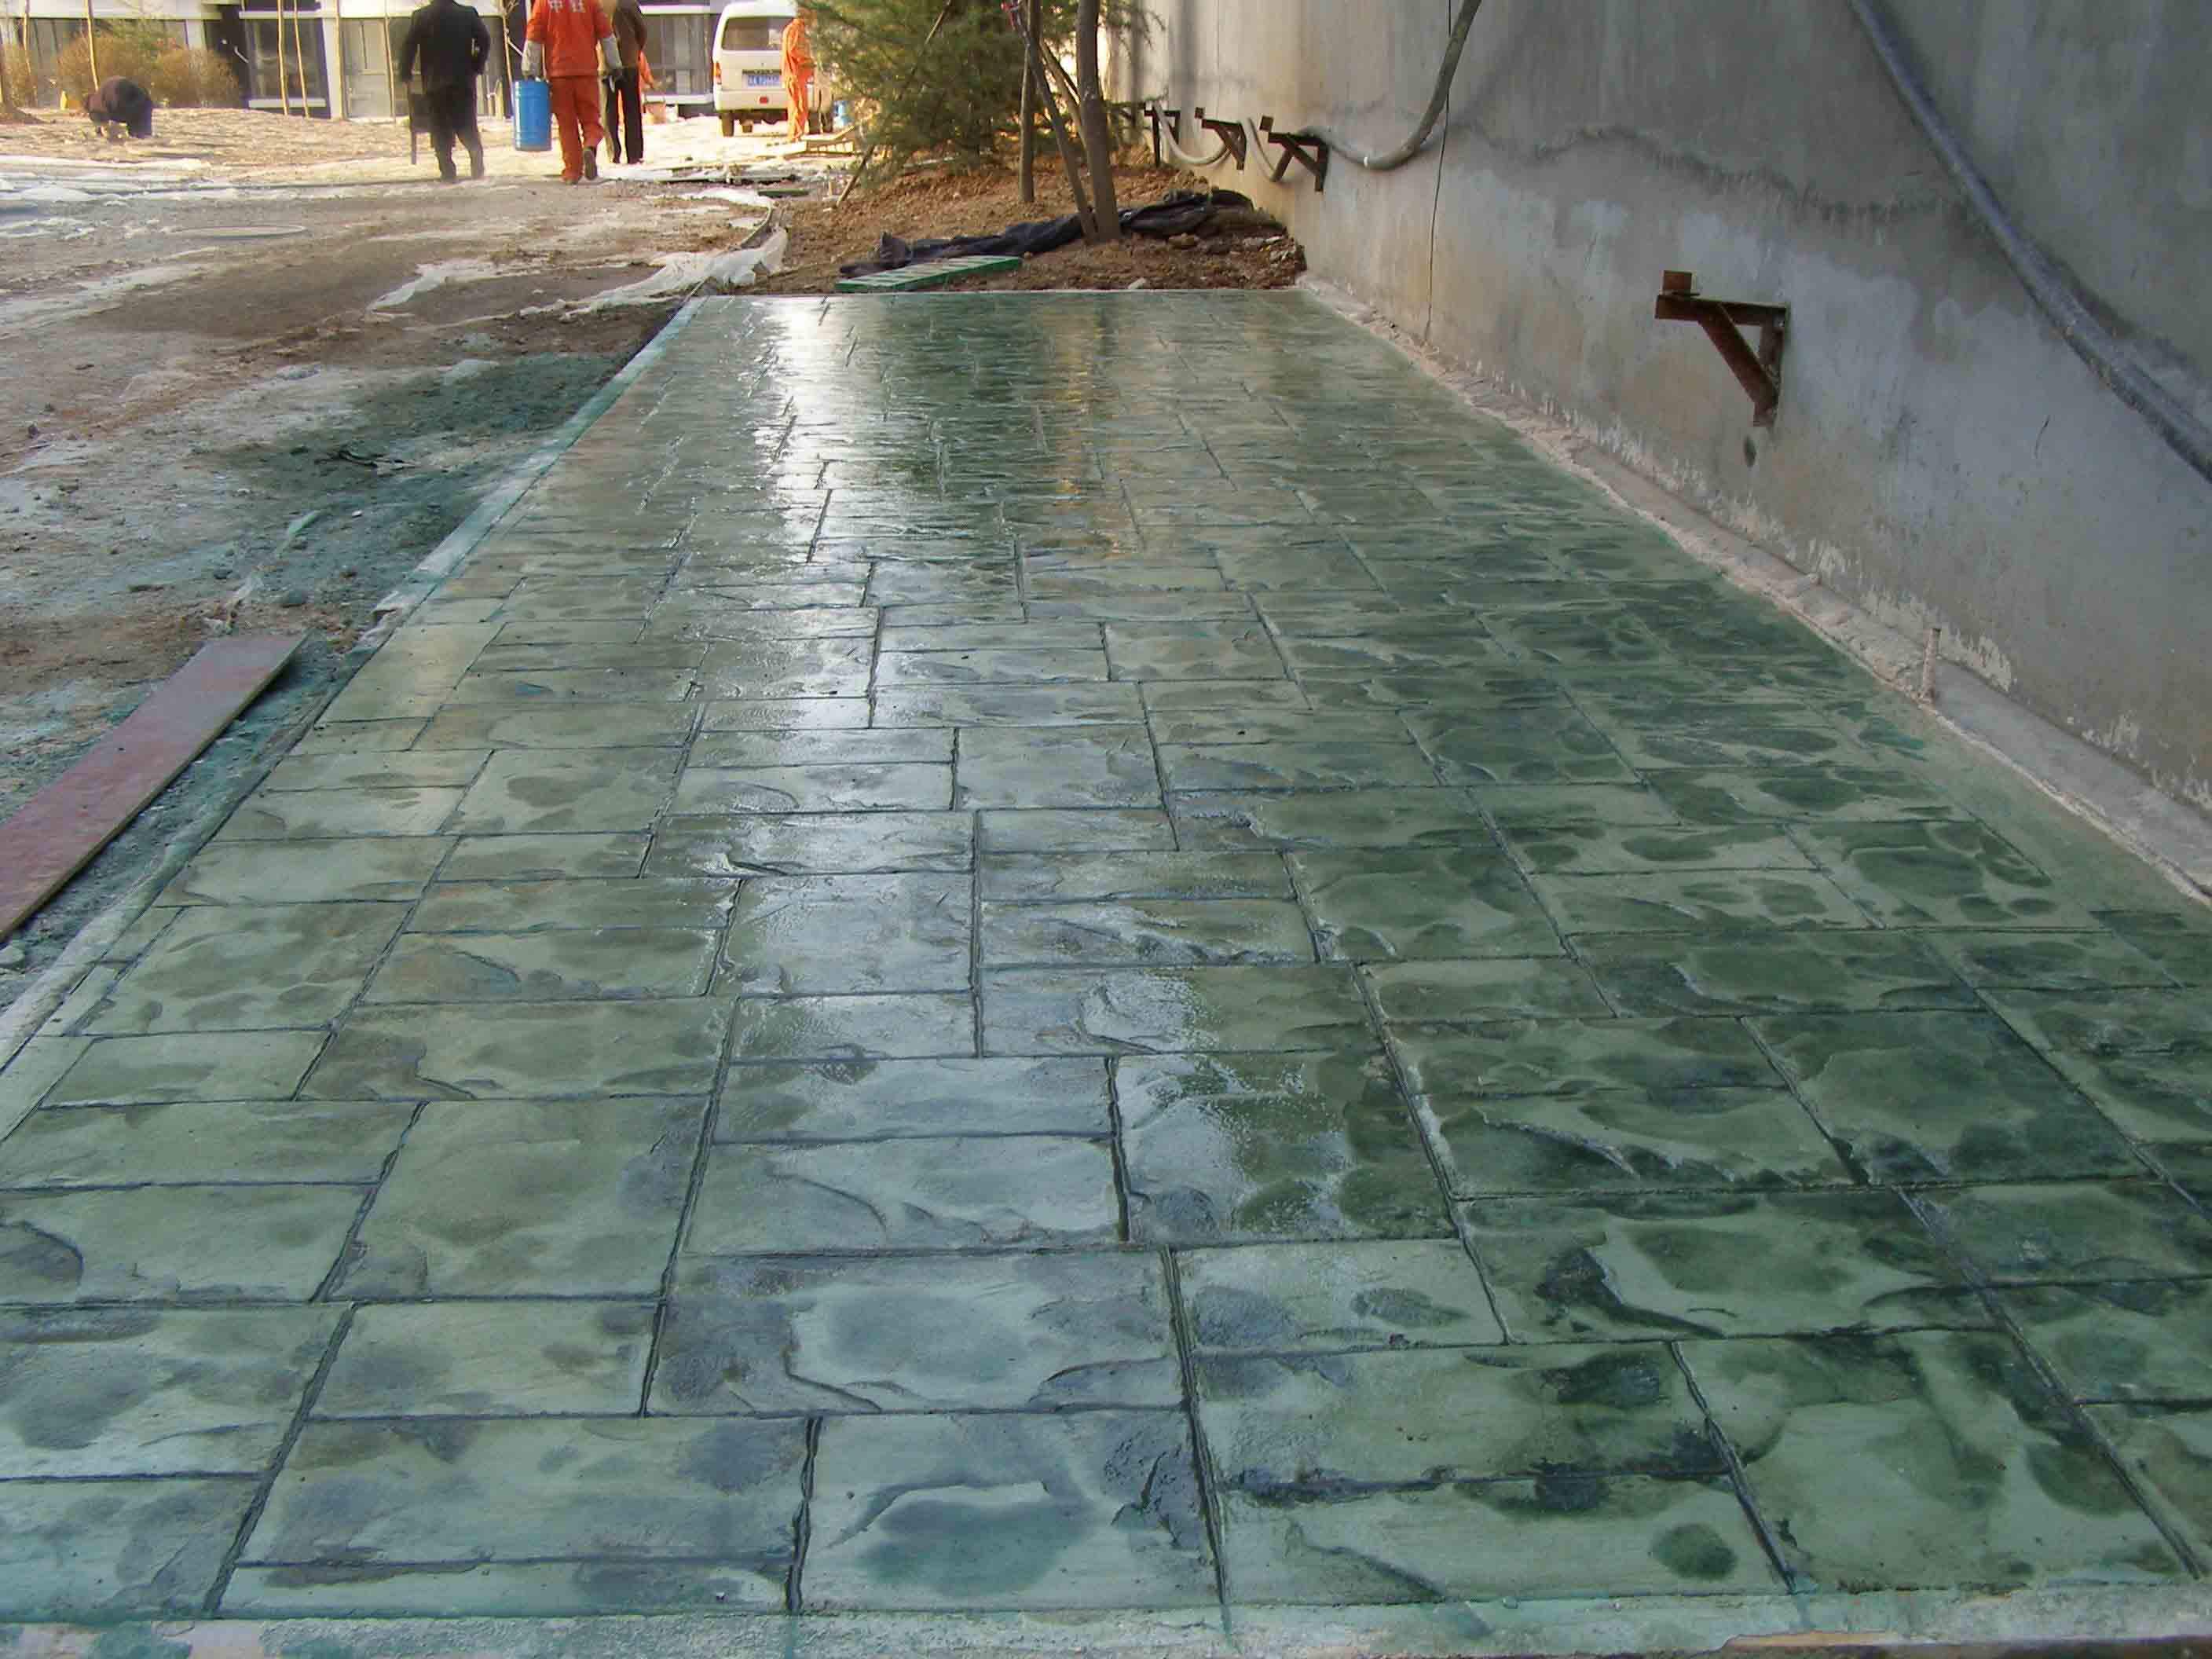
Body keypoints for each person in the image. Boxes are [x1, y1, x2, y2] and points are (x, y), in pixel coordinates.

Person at [524, 0, 617, 184]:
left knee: (567, 125)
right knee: (591, 119)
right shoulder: (590, 2)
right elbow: (606, 33)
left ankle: (572, 172)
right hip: (586, 72)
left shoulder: (543, 3)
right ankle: (590, 146)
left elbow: (533, 36)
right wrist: (615, 64)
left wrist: (529, 69)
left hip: (558, 74)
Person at [397, 0, 489, 182]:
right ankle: (476, 158)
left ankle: (447, 171)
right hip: (463, 81)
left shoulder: (422, 16)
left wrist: (405, 72)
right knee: (466, 124)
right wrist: (476, 65)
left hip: (435, 84)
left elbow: (409, 46)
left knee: (440, 128)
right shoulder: (468, 14)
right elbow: (484, 40)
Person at [601, 0, 647, 167]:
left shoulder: (597, 4)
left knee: (609, 110)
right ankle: (634, 154)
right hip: (629, 61)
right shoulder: (629, 3)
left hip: (605, 63)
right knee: (632, 110)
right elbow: (642, 30)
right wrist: (636, 50)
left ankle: (613, 153)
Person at [83, 77, 154, 141]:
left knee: (136, 137)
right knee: (143, 135)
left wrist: (99, 133)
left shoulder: (94, 108)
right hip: (141, 97)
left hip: (120, 98)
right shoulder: (101, 92)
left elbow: (104, 127)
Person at [779, 6, 811, 144]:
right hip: (795, 74)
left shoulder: (797, 29)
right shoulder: (795, 30)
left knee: (797, 107)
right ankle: (795, 136)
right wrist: (808, 61)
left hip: (797, 75)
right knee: (799, 107)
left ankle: (795, 136)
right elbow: (794, 50)